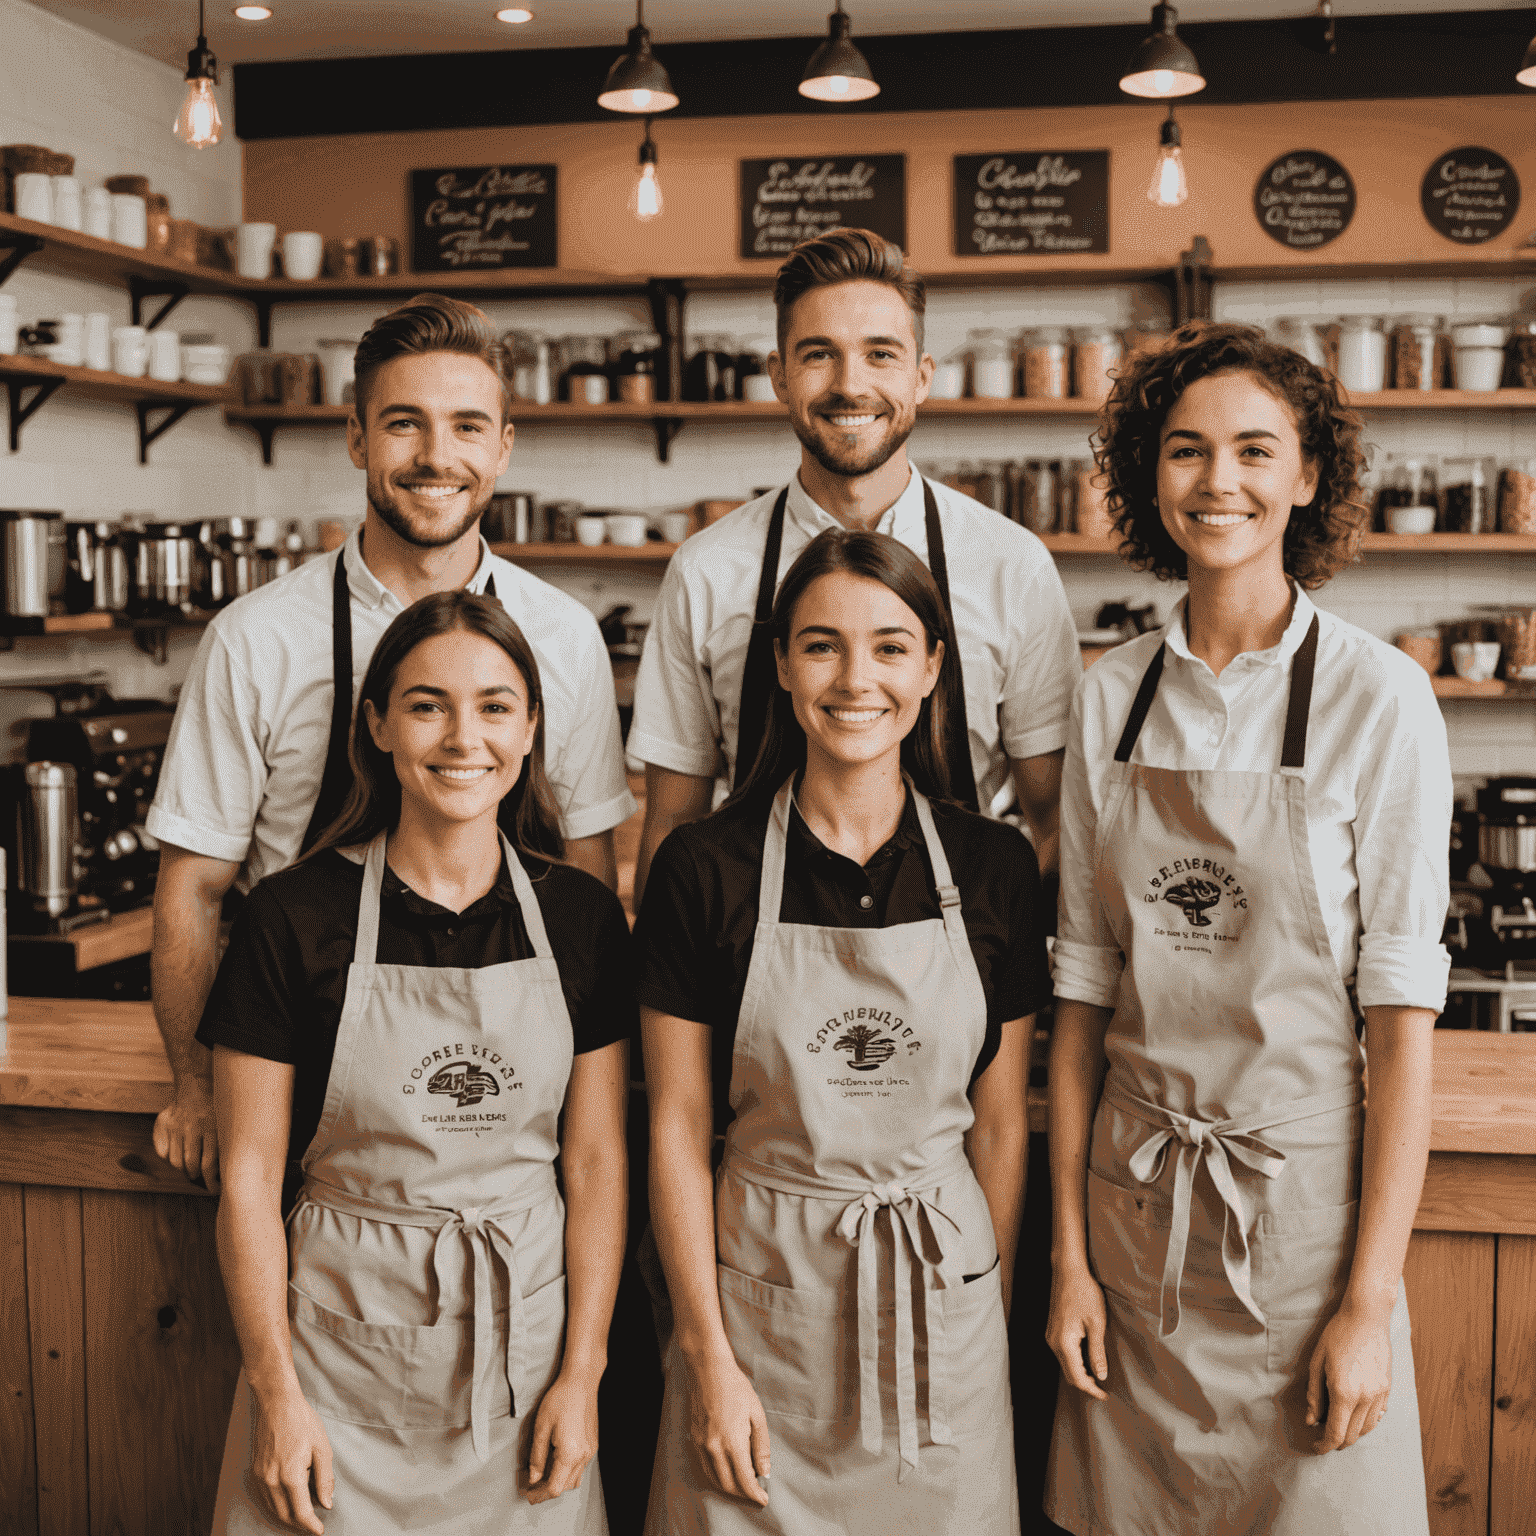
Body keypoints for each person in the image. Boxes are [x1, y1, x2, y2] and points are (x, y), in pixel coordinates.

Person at [1044, 321, 1450, 1534]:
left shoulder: (1381, 698)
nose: (1219, 482)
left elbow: (1401, 1031)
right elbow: (1081, 1001)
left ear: (1310, 475)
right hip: (1131, 1224)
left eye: (1255, 451)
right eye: (1185, 451)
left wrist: (1367, 1305)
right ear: (1145, 475)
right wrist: (1068, 1259)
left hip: (1303, 1235)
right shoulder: (1109, 695)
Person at [146, 293, 635, 1193]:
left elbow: (586, 875)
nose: (437, 457)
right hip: (296, 1078)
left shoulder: (561, 637)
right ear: (357, 438)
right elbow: (194, 886)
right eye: (405, 425)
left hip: (507, 1086)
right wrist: (194, 1083)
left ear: (504, 445)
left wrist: (583, 1087)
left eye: (466, 426)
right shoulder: (258, 638)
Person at [637, 527, 1048, 1534]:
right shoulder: (702, 867)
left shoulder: (994, 867)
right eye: (821, 645)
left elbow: (998, 1132)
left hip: (939, 1312)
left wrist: (972, 1321)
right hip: (756, 1314)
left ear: (934, 666)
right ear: (780, 665)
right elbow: (677, 1135)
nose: (855, 677)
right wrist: (707, 1356)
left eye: (890, 646)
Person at [205, 589, 631, 1535]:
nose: (461, 737)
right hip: (331, 1371)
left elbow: (597, 1163)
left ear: (530, 730)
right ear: (379, 726)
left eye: (494, 705)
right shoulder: (292, 916)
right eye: (427, 704)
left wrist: (584, 1373)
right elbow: (246, 1178)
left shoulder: (581, 918)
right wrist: (277, 1395)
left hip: (528, 1373)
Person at [629, 227, 1079, 909]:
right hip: (752, 957)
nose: (850, 384)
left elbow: (1056, 823)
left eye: (880, 354)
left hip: (956, 956)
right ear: (778, 376)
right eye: (818, 355)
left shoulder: (1012, 565)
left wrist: (1019, 967)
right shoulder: (707, 570)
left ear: (921, 376)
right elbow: (670, 823)